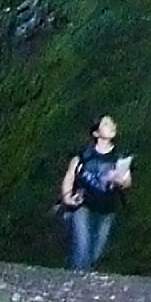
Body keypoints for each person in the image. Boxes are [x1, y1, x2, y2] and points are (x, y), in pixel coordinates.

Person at [58, 115, 135, 271]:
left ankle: (83, 281)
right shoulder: (84, 155)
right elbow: (70, 176)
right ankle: (74, 284)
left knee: (95, 254)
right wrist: (67, 197)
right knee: (82, 247)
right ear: (96, 133)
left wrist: (120, 180)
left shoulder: (119, 156)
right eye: (106, 124)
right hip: (83, 205)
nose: (112, 125)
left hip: (107, 209)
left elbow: (127, 181)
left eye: (112, 123)